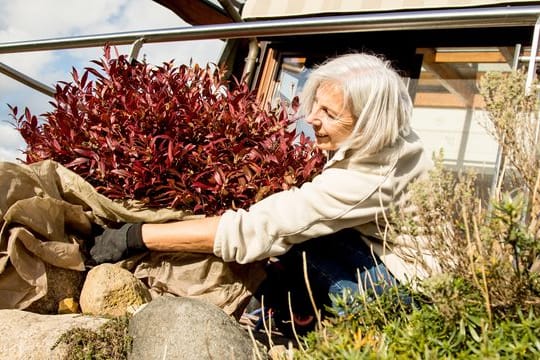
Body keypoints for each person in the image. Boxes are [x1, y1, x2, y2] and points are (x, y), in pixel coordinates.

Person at [90, 52, 433, 333]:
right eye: (315, 103)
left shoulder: (371, 176)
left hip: (407, 298)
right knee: (301, 231)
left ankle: (324, 322)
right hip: (389, 258)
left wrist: (135, 235)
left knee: (289, 237)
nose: (311, 118)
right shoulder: (391, 138)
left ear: (368, 124)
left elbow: (257, 228)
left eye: (329, 114)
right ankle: (299, 311)